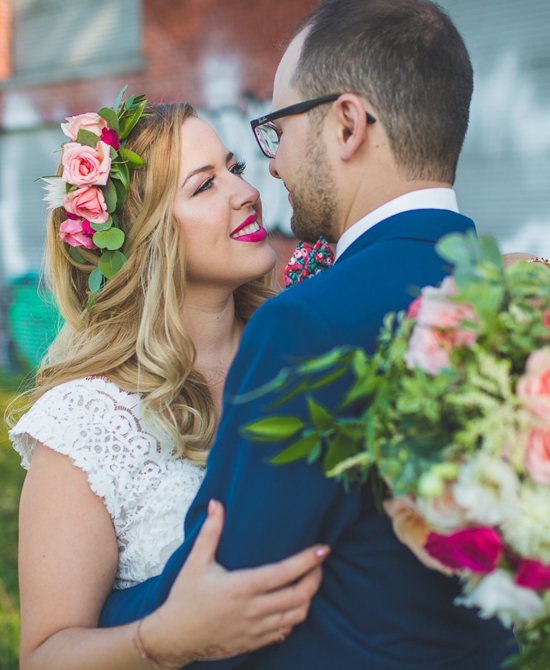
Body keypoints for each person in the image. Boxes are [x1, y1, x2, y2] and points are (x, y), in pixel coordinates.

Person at [98, 0, 519, 668]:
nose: (273, 168)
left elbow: (229, 594)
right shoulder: (516, 303)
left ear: (347, 124)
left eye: (279, 130)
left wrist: (96, 622)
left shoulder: (305, 325)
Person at [10, 102, 331, 670]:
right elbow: (45, 654)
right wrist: (166, 637)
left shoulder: (304, 347)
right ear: (143, 235)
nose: (245, 192)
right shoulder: (86, 421)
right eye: (205, 186)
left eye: (236, 169)